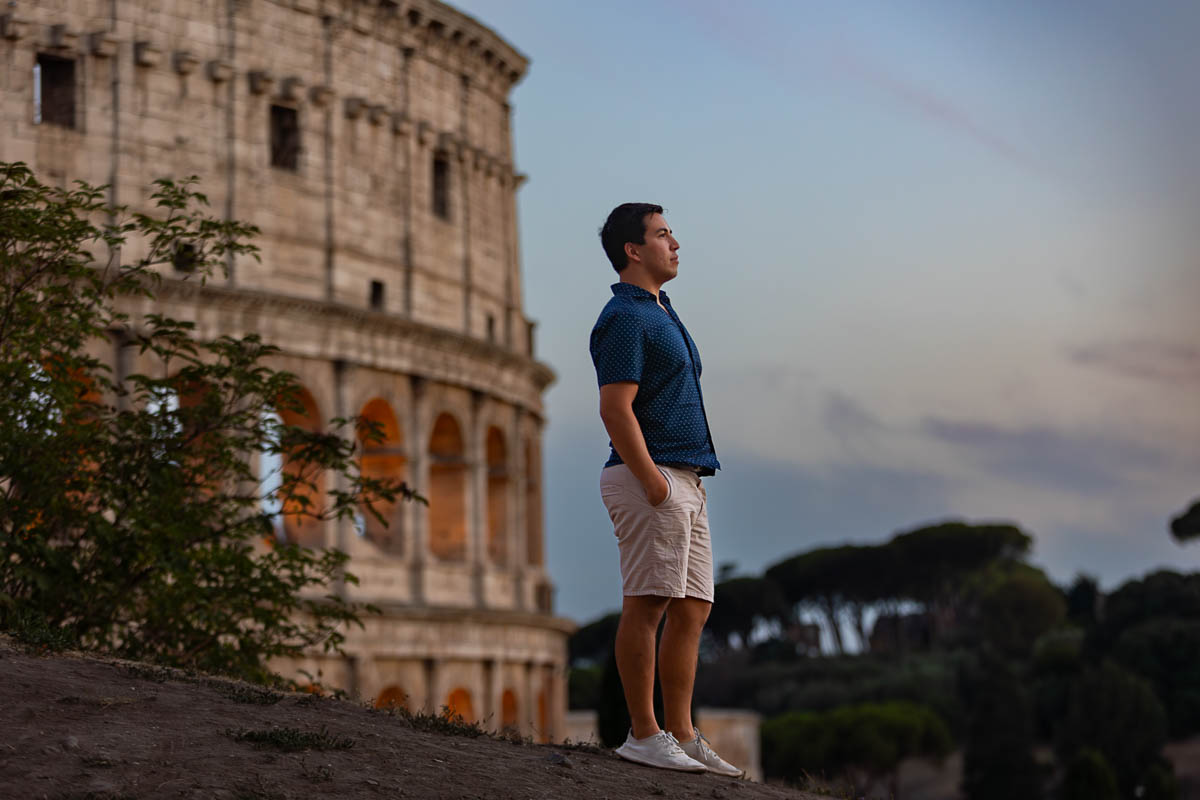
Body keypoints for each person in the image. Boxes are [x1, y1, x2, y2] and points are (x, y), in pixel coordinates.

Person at [588, 203, 743, 777]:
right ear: (634, 249)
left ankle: (680, 732)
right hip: (652, 478)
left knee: (694, 607)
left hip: (688, 478)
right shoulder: (626, 315)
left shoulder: (661, 310)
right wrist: (652, 480)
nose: (675, 243)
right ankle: (644, 734)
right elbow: (614, 407)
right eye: (662, 234)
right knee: (648, 603)